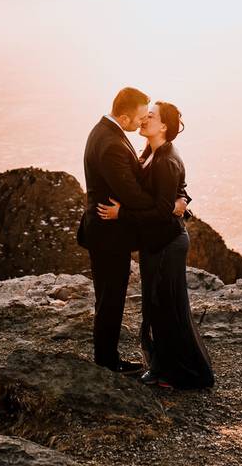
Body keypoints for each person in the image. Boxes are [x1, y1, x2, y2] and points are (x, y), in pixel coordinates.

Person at [97, 101, 215, 389]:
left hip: (167, 243)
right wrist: (182, 200)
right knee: (160, 306)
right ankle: (171, 369)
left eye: (150, 116)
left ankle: (172, 373)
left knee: (163, 307)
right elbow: (176, 192)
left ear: (163, 126)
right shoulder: (152, 152)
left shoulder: (165, 160)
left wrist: (121, 213)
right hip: (158, 243)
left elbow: (163, 209)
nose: (144, 120)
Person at [76, 87, 188, 372]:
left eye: (147, 116)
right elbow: (131, 193)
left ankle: (107, 357)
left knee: (110, 296)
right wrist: (166, 204)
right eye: (139, 117)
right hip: (107, 234)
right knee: (111, 297)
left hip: (111, 232)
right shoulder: (111, 143)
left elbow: (160, 178)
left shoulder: (107, 133)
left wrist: (178, 198)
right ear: (123, 116)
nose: (141, 122)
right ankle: (107, 362)